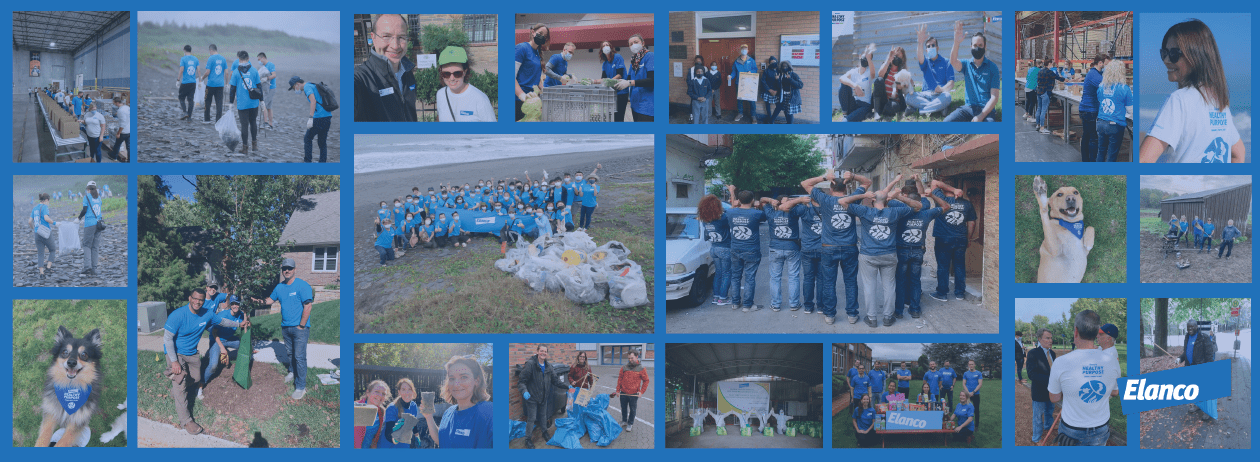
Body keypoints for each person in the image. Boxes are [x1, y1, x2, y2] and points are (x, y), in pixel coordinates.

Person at [1140, 19, 1244, 163]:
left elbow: (1144, 160)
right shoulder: (1219, 102)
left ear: (1196, 56)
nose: (1166, 60)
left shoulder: (1179, 100)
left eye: (1174, 54)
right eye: (1164, 53)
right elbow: (1239, 153)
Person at [801, 170, 871, 324]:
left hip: (829, 247)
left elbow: (805, 183)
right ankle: (852, 314)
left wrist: (825, 177)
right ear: (846, 188)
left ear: (831, 188)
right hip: (849, 246)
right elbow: (867, 182)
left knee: (828, 282)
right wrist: (853, 177)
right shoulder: (852, 199)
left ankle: (830, 314)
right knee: (851, 281)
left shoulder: (825, 199)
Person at [850, 176, 918, 327]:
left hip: (869, 255)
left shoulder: (865, 211)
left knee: (869, 287)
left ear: (873, 200)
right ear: (887, 201)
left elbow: (842, 202)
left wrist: (863, 195)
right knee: (889, 286)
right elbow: (917, 206)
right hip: (889, 254)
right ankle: (888, 317)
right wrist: (898, 196)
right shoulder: (894, 212)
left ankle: (872, 318)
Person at [1048, 310, 1121, 445]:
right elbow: (1115, 391)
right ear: (1096, 333)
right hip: (1100, 428)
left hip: (1072, 430)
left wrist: (1069, 391)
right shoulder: (1113, 361)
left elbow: (1054, 397)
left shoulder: (1061, 362)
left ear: (1076, 331)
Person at [250, 258, 314, 399]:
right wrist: (255, 300)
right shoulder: (279, 287)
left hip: (299, 328)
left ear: (295, 270)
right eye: (284, 268)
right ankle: (292, 371)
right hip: (285, 327)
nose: (287, 270)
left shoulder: (302, 285)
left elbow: (308, 306)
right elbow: (269, 300)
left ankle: (301, 386)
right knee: (290, 353)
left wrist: (301, 325)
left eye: (289, 268)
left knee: (299, 357)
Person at [894, 177, 949, 318]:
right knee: (915, 280)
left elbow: (884, 199)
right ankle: (915, 309)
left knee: (900, 280)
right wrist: (933, 196)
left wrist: (899, 195)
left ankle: (899, 311)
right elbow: (946, 206)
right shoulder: (926, 212)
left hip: (902, 250)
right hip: (918, 251)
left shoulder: (900, 211)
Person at [163, 289, 215, 434]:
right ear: (189, 298)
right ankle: (186, 421)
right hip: (175, 352)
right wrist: (174, 361)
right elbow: (167, 339)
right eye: (195, 298)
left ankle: (176, 386)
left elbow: (222, 321)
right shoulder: (178, 314)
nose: (197, 302)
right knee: (180, 385)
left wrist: (239, 324)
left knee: (196, 378)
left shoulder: (206, 313)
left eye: (201, 300)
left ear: (203, 301)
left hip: (191, 353)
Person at [354, 14, 418, 122]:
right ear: (373, 38)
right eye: (386, 36)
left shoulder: (408, 72)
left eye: (401, 37)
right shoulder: (361, 78)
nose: (395, 46)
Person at [422, 356, 493, 448]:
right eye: (452, 378)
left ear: (477, 380)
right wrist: (428, 417)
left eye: (464, 377)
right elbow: (442, 441)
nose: (456, 384)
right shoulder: (448, 412)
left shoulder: (490, 412)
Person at [928, 180, 976, 302]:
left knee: (943, 266)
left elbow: (934, 182)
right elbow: (972, 223)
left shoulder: (941, 200)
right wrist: (969, 238)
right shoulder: (967, 203)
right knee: (959, 266)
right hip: (961, 238)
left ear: (943, 190)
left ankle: (942, 293)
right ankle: (960, 293)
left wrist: (953, 190)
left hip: (943, 239)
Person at [760, 195, 809, 311]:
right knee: (793, 276)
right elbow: (805, 207)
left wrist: (770, 200)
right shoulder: (793, 212)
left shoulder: (770, 212)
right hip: (792, 247)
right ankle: (794, 304)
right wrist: (795, 201)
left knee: (775, 277)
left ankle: (776, 304)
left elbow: (762, 200)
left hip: (775, 247)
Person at [944, 21, 1000, 122]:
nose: (977, 48)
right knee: (947, 122)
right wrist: (956, 42)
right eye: (975, 45)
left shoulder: (993, 68)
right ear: (971, 47)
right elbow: (953, 61)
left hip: (986, 110)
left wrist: (981, 116)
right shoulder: (966, 65)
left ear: (985, 47)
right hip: (968, 108)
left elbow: (994, 97)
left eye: (980, 45)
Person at [726, 185, 768, 312]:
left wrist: (732, 192)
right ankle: (747, 305)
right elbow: (765, 216)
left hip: (735, 248)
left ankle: (735, 303)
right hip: (751, 249)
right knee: (749, 278)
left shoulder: (730, 212)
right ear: (752, 200)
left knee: (735, 277)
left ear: (739, 201)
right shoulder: (756, 213)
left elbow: (733, 206)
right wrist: (758, 205)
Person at [199, 296, 249, 397]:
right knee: (213, 365)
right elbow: (214, 332)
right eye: (233, 304)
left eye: (237, 304)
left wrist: (245, 316)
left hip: (229, 339)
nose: (235, 306)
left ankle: (240, 371)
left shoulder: (240, 314)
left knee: (245, 345)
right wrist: (222, 348)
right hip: (216, 340)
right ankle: (200, 386)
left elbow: (245, 328)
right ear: (230, 305)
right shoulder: (223, 315)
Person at [517, 345, 566, 448]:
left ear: (547, 353)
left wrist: (567, 386)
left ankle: (544, 432)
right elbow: (521, 381)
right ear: (537, 352)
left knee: (544, 416)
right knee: (532, 418)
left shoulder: (548, 366)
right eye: (541, 351)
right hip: (532, 397)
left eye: (545, 351)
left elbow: (556, 380)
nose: (543, 353)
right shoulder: (531, 364)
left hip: (544, 397)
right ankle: (527, 439)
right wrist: (524, 391)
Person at [434, 46, 496, 122]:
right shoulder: (441, 94)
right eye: (446, 74)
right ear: (441, 72)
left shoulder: (480, 99)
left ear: (465, 72)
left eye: (457, 73)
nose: (452, 78)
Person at [287, 75, 332, 162]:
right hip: (327, 116)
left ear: (297, 84)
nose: (294, 90)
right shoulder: (312, 84)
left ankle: (307, 161)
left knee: (307, 138)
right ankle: (322, 162)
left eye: (293, 88)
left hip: (319, 117)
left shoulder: (307, 87)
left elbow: (313, 101)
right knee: (322, 142)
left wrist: (310, 118)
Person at [1095, 59, 1133, 162]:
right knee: (1112, 155)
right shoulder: (1125, 89)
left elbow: (1100, 102)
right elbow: (1131, 111)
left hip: (1101, 122)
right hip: (1115, 125)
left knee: (1101, 151)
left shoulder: (1101, 87)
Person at [698, 194, 732, 306]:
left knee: (718, 273)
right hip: (725, 248)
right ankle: (723, 298)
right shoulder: (723, 219)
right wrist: (732, 192)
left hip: (714, 248)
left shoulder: (705, 221)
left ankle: (716, 297)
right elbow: (732, 211)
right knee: (727, 273)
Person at [228, 51, 262, 154]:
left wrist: (231, 103)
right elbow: (259, 87)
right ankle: (254, 145)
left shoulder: (235, 72)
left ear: (239, 59)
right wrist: (262, 101)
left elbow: (232, 89)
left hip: (242, 103)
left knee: (244, 125)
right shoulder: (254, 71)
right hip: (254, 103)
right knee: (253, 122)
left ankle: (245, 148)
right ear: (248, 59)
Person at [514, 23, 550, 121]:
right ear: (533, 32)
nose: (542, 37)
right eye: (540, 33)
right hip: (519, 101)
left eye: (545, 36)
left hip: (532, 101)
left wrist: (545, 90)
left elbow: (536, 77)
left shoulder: (537, 53)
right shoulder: (521, 48)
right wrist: (522, 95)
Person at [1077, 54, 1109, 161]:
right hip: (1089, 110)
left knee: (1087, 136)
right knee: (1093, 138)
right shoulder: (1094, 75)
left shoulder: (1096, 73)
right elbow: (1107, 87)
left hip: (1087, 109)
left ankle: (1085, 160)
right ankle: (1092, 161)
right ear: (1100, 63)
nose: (1106, 67)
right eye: (1106, 64)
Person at [1027, 328, 1056, 443]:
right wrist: (1051, 380)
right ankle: (1036, 438)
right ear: (1039, 339)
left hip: (1052, 391)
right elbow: (1031, 374)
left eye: (1051, 338)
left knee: (1049, 412)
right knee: (1038, 417)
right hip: (1039, 391)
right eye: (1047, 338)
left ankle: (1048, 428)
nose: (1050, 340)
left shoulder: (1052, 353)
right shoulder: (1033, 353)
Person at [618, 33, 654, 121]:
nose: (633, 45)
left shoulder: (650, 56)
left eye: (636, 42)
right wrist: (614, 82)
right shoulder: (634, 62)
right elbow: (628, 79)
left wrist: (630, 83)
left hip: (647, 105)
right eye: (631, 44)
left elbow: (652, 80)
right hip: (635, 104)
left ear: (643, 43)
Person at [798, 195, 824, 314]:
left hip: (807, 248)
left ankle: (808, 306)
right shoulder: (827, 209)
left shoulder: (805, 210)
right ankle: (821, 306)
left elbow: (785, 207)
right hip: (823, 248)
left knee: (808, 278)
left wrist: (800, 200)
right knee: (821, 278)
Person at [839, 44, 876, 121]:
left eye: (868, 58)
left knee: (845, 122)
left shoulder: (869, 73)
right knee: (844, 84)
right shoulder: (853, 71)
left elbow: (873, 74)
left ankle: (847, 119)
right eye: (864, 56)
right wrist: (855, 85)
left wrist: (868, 58)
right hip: (854, 103)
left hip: (865, 105)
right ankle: (845, 114)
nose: (865, 58)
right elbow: (841, 78)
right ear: (860, 56)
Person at [615, 351, 649, 432]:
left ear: (637, 357)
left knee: (632, 409)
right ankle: (624, 421)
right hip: (623, 392)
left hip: (634, 394)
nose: (630, 360)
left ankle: (630, 423)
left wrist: (641, 392)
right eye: (629, 358)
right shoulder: (624, 368)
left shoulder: (641, 368)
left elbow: (646, 380)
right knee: (623, 408)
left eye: (632, 358)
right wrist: (618, 390)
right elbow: (620, 379)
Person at [871, 47, 909, 119]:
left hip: (893, 101)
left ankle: (882, 111)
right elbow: (880, 75)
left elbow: (906, 85)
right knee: (879, 80)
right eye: (896, 55)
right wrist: (888, 60)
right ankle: (876, 112)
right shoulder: (886, 65)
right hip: (883, 98)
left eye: (900, 57)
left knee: (893, 106)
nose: (898, 58)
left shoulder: (902, 71)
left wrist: (902, 85)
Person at [77, 181, 105, 276]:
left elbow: (84, 210)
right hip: (99, 224)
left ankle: (87, 267)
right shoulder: (98, 197)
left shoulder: (87, 197)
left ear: (88, 189)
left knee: (86, 245)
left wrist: (79, 218)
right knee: (95, 247)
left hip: (90, 224)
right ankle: (94, 269)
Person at [597, 41, 629, 121]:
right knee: (612, 116)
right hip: (611, 93)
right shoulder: (605, 64)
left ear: (611, 47)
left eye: (607, 45)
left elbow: (619, 75)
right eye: (603, 46)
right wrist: (593, 81)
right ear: (601, 50)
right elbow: (603, 78)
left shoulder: (617, 57)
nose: (605, 47)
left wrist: (608, 81)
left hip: (621, 91)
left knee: (619, 117)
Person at [765, 60, 803, 124]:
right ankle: (771, 121)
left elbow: (800, 85)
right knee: (779, 107)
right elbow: (779, 87)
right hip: (782, 96)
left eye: (785, 66)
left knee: (789, 112)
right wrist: (777, 80)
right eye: (783, 66)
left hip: (791, 97)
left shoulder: (794, 75)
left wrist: (790, 79)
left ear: (789, 67)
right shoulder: (781, 75)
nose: (784, 68)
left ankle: (789, 124)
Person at [1034, 58, 1066, 134]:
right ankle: (1042, 128)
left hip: (1039, 91)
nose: (1052, 64)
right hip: (1045, 92)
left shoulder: (1040, 71)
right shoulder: (1049, 72)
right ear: (1049, 64)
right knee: (1043, 110)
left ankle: (1038, 125)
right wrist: (1066, 80)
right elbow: (1058, 78)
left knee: (1039, 108)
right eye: (1052, 63)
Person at [358, 380, 392, 448]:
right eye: (377, 392)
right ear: (368, 392)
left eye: (383, 394)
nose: (380, 396)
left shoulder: (382, 413)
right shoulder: (355, 407)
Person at [31, 193, 57, 280]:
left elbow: (29, 221)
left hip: (37, 233)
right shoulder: (45, 207)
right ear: (46, 200)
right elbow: (46, 218)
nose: (48, 203)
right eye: (48, 201)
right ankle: (48, 268)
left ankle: (41, 273)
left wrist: (34, 228)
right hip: (45, 232)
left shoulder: (34, 208)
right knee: (52, 249)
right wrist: (55, 223)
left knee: (40, 253)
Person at [730, 43, 758, 122]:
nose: (744, 50)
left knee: (752, 100)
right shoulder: (736, 61)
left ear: (747, 50)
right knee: (739, 100)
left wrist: (751, 72)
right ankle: (740, 113)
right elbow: (734, 72)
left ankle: (753, 115)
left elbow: (755, 69)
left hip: (750, 83)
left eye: (745, 49)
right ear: (740, 50)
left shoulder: (751, 60)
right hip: (739, 83)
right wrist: (731, 76)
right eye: (742, 49)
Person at [202, 44, 228, 123]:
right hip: (220, 85)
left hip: (210, 84)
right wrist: (227, 83)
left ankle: (207, 120)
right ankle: (218, 121)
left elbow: (207, 72)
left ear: (211, 50)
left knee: (207, 102)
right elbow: (226, 73)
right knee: (219, 103)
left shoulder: (211, 58)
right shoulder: (223, 59)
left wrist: (202, 78)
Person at [177, 45, 199, 121]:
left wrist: (178, 79)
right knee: (190, 100)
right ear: (191, 50)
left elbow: (181, 70)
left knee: (181, 97)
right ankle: (189, 118)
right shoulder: (195, 59)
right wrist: (200, 81)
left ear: (184, 50)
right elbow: (198, 70)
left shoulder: (183, 59)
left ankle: (185, 112)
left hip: (185, 82)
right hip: (193, 83)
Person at [757, 56, 780, 122]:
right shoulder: (766, 71)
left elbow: (782, 82)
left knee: (779, 105)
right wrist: (769, 90)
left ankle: (772, 118)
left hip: (776, 91)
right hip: (768, 91)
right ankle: (769, 118)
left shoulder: (779, 70)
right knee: (767, 105)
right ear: (769, 63)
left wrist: (777, 90)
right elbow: (763, 81)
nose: (773, 63)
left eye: (774, 62)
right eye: (771, 62)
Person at [257, 52, 276, 128]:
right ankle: (270, 124)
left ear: (263, 58)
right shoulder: (263, 67)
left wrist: (266, 78)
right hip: (265, 89)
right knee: (269, 107)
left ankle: (266, 122)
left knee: (263, 104)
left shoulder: (270, 65)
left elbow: (274, 75)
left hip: (271, 88)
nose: (259, 61)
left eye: (259, 59)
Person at [962, 360, 983, 428]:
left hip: (976, 394)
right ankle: (966, 424)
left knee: (976, 410)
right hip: (967, 395)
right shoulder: (966, 373)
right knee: (967, 409)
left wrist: (973, 392)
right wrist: (968, 393)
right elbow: (964, 384)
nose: (971, 366)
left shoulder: (978, 373)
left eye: (972, 364)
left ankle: (976, 426)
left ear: (974, 365)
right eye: (969, 364)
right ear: (968, 365)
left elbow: (980, 384)